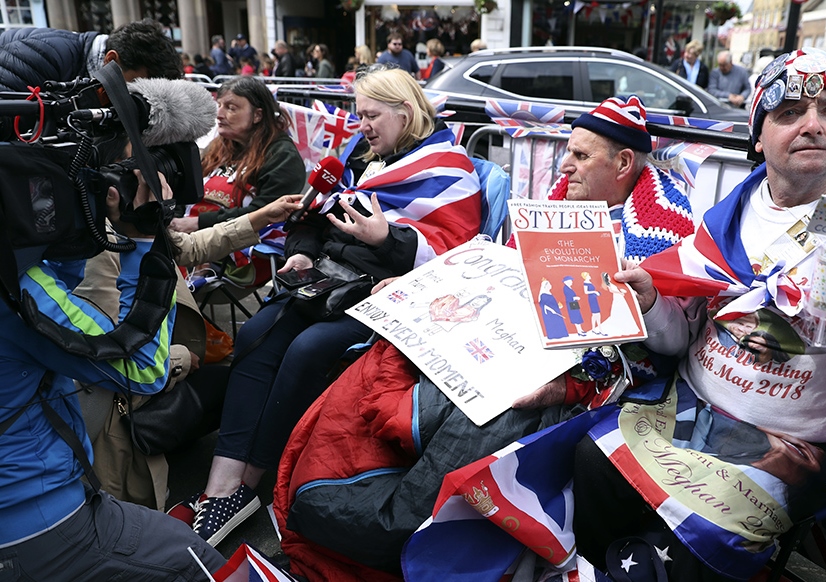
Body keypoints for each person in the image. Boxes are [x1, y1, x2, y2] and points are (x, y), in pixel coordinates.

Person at [566, 48, 826, 580]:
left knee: (689, 545)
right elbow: (677, 338)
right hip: (683, 410)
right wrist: (650, 302)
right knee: (589, 465)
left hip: (789, 448)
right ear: (758, 136)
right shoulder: (726, 217)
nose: (813, 125)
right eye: (788, 114)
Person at [271, 95, 694, 582]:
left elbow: (671, 346)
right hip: (494, 348)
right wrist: (416, 290)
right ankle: (332, 503)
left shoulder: (665, 235)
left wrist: (646, 305)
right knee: (367, 377)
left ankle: (385, 539)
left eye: (580, 155)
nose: (565, 164)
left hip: (575, 381)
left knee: (486, 417)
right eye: (568, 151)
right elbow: (495, 274)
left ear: (623, 164)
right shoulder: (554, 208)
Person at [168, 67, 484, 548]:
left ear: (405, 112)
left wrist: (389, 239)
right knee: (255, 334)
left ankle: (247, 485)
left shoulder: (448, 166)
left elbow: (455, 251)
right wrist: (300, 249)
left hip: (389, 292)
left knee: (306, 348)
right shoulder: (361, 156)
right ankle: (219, 486)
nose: (363, 126)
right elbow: (312, 215)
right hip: (325, 278)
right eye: (359, 116)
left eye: (372, 116)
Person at [0, 167, 226, 579]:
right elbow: (143, 368)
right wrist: (140, 242)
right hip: (37, 524)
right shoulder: (17, 287)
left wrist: (66, 231)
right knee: (198, 561)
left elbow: (59, 292)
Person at [77, 195, 303, 511]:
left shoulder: (136, 223)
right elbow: (109, 353)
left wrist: (263, 216)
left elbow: (190, 246)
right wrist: (178, 357)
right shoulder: (98, 241)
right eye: (159, 168)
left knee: (240, 377)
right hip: (127, 397)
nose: (171, 186)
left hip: (157, 369)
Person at [170, 76, 306, 233]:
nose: (219, 114)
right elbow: (185, 192)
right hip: (188, 236)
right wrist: (174, 221)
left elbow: (265, 214)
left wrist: (199, 223)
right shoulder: (218, 146)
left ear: (257, 115)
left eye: (231, 108)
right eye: (219, 105)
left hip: (241, 246)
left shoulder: (283, 157)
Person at [0, 18, 182, 90]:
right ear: (110, 60)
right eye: (135, 86)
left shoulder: (90, 70)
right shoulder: (44, 55)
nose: (135, 96)